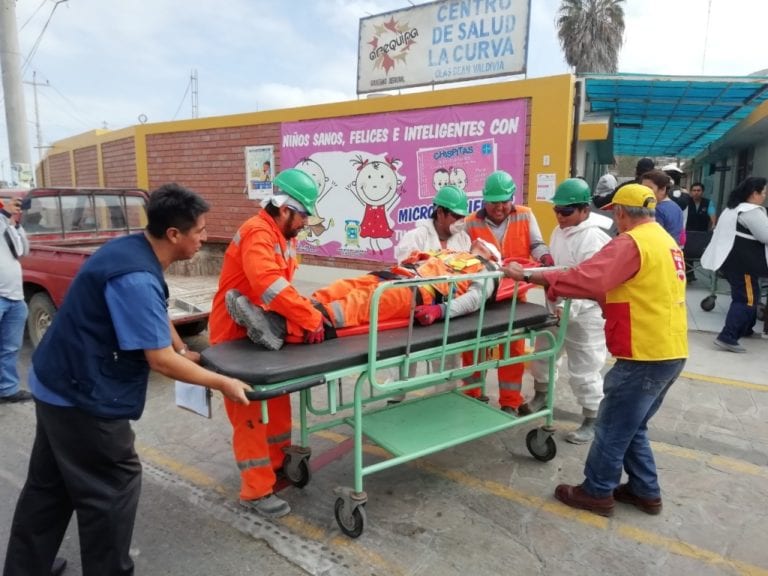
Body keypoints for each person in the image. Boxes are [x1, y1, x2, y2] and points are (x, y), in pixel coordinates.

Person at [3, 184, 251, 576]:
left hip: (55, 381)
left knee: (49, 487)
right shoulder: (135, 276)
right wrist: (221, 383)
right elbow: (161, 363)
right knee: (111, 488)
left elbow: (156, 318)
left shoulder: (133, 248)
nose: (204, 237)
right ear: (174, 234)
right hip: (82, 397)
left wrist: (184, 349)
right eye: (200, 230)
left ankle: (25, 568)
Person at [504, 183, 687, 517]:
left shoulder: (631, 242)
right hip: (669, 350)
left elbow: (588, 279)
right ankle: (645, 491)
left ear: (618, 212)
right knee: (633, 427)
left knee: (612, 426)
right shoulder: (664, 240)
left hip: (643, 352)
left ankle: (597, 491)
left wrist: (529, 276)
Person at [208, 168, 323, 520]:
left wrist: (301, 311)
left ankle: (275, 467)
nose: (305, 223)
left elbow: (281, 291)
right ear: (285, 208)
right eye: (303, 215)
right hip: (235, 335)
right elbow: (268, 285)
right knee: (250, 414)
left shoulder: (281, 236)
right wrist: (310, 317)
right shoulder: (258, 232)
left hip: (265, 333)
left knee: (276, 406)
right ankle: (256, 491)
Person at [226, 239, 503, 348]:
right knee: (338, 288)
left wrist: (440, 311)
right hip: (398, 276)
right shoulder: (450, 253)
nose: (475, 244)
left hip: (417, 293)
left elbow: (475, 299)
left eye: (481, 246)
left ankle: (277, 327)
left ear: (491, 255)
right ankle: (280, 313)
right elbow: (415, 259)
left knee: (357, 305)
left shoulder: (488, 269)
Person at [526, 179, 611, 444]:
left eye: (566, 212)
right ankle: (541, 394)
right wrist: (526, 274)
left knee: (585, 368)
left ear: (584, 211)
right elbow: (558, 271)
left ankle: (592, 418)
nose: (560, 216)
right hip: (558, 307)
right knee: (542, 353)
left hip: (585, 315)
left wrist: (568, 307)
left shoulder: (594, 238)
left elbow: (593, 283)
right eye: (557, 210)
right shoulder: (559, 232)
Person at [462, 170, 553, 414]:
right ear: (484, 200)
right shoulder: (471, 222)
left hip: (514, 294)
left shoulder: (525, 215)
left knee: (513, 348)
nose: (499, 207)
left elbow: (535, 243)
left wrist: (544, 257)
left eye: (504, 201)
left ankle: (510, 401)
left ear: (511, 198)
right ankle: (472, 393)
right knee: (473, 345)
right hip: (481, 294)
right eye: (494, 202)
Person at [392, 185, 471, 400]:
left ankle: (444, 401)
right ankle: (395, 399)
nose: (460, 221)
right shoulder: (416, 237)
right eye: (456, 216)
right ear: (440, 212)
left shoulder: (463, 239)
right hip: (417, 307)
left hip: (447, 308)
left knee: (448, 359)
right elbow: (406, 273)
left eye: (463, 216)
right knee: (407, 357)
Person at [701, 177, 768, 353]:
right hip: (744, 264)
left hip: (731, 261)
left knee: (752, 295)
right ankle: (727, 337)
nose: (765, 196)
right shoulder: (750, 212)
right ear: (754, 194)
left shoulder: (733, 208)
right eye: (764, 192)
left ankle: (745, 329)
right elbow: (766, 235)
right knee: (747, 299)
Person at [0, 197, 32, 403]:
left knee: (10, 348)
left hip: (15, 297)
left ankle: (8, 389)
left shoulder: (8, 226)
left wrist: (17, 225)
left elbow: (24, 251)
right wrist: (4, 216)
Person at [640, 169, 684, 246]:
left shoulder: (657, 210)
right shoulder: (676, 207)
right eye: (642, 188)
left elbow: (653, 238)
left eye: (649, 188)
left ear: (663, 189)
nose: (644, 192)